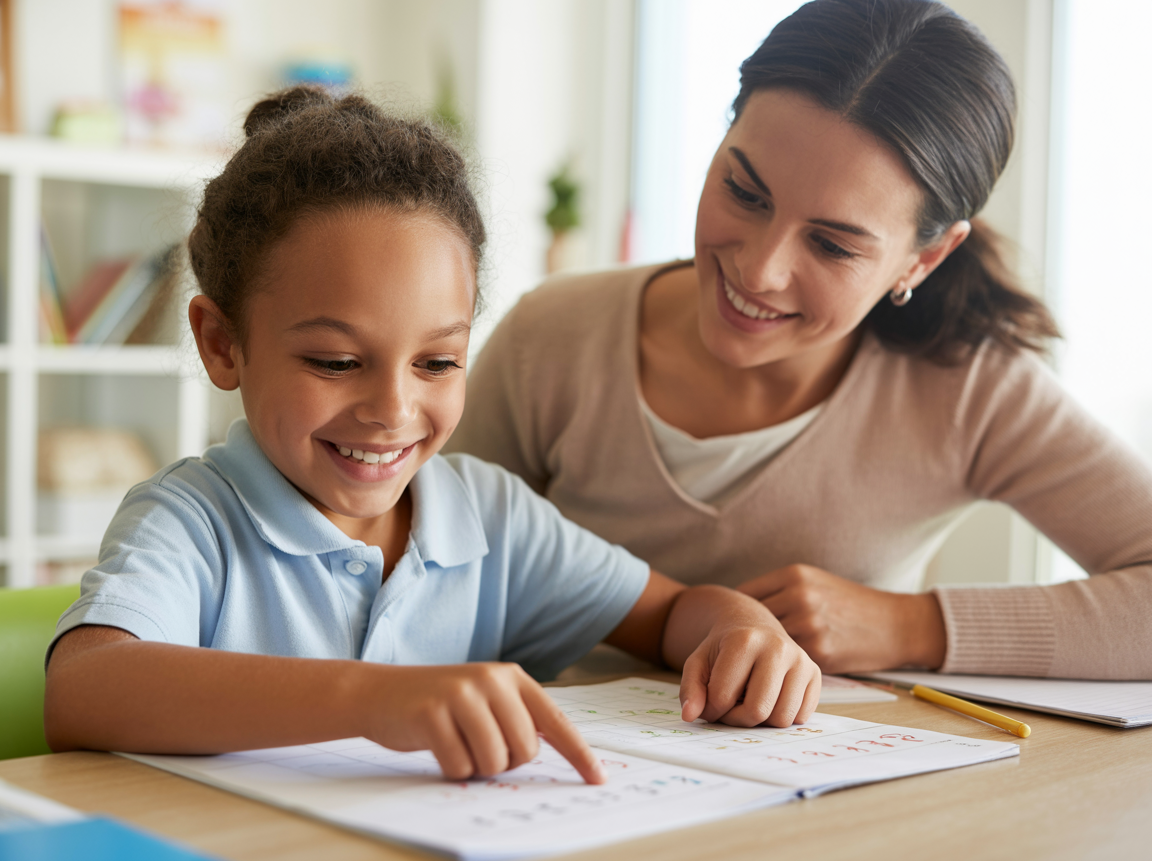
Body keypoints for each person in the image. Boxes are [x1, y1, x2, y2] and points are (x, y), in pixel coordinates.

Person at [42, 87, 821, 783]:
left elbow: (669, 613)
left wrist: (738, 627)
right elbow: (85, 688)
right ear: (222, 344)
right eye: (336, 360)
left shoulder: (491, 519)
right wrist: (371, 698)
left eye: (437, 361)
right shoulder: (193, 519)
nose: (392, 407)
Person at [450, 0, 1152, 680]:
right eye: (745, 193)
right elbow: (411, 559)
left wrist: (906, 626)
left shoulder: (971, 390)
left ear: (923, 260)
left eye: (832, 245)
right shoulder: (552, 337)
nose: (759, 269)